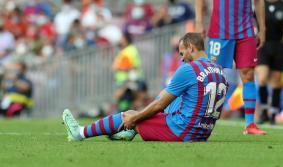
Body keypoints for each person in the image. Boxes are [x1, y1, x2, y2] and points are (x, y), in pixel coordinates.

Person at [62, 33, 228, 142]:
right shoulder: (219, 70)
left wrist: (136, 118)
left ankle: (80, 133)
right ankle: (130, 131)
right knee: (174, 99)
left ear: (191, 47)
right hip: (203, 133)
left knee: (129, 114)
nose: (182, 59)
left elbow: (159, 105)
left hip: (183, 131)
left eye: (182, 53)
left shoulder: (188, 69)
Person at [195, 0, 266, 135]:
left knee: (248, 74)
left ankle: (250, 124)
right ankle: (203, 122)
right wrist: (198, 22)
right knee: (212, 76)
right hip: (219, 31)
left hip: (246, 31)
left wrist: (262, 29)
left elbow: (259, 2)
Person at [255, 0, 283, 124]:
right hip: (262, 45)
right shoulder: (259, 4)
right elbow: (249, 20)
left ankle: (273, 112)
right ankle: (264, 110)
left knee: (275, 81)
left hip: (278, 46)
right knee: (262, 78)